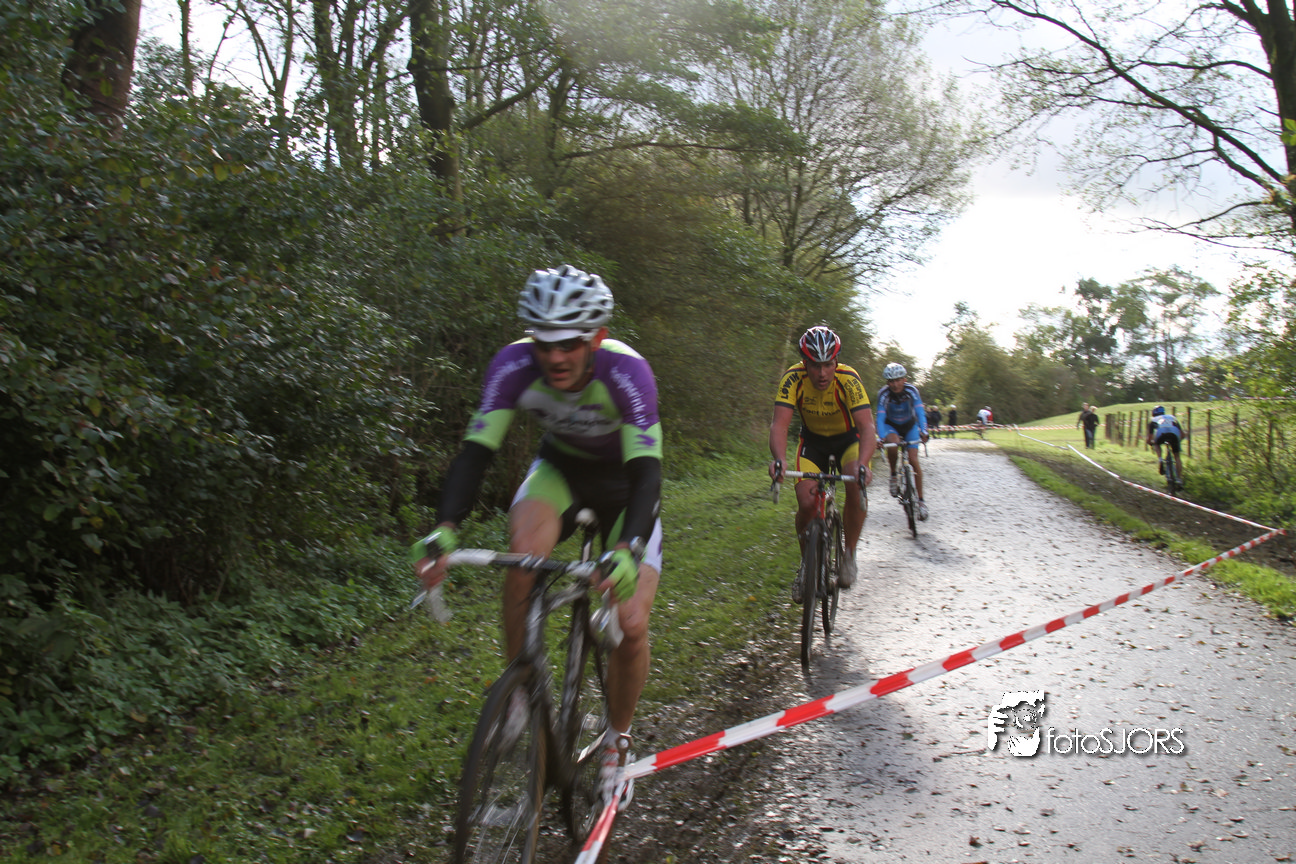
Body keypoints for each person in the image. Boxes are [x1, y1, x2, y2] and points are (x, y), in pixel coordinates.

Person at [411, 265, 663, 807]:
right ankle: (520, 691)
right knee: (522, 558)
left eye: (569, 343)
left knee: (631, 622)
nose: (555, 357)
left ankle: (618, 740)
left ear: (597, 336)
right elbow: (476, 452)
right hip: (560, 473)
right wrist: (444, 528)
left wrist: (628, 549)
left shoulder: (628, 371)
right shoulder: (512, 365)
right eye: (543, 343)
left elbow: (647, 472)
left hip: (625, 488)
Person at [768, 326, 876, 602]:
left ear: (836, 361)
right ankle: (807, 564)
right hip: (813, 443)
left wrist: (864, 464)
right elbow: (779, 425)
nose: (822, 373)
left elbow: (867, 427)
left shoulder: (849, 379)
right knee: (807, 503)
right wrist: (779, 459)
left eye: (828, 364)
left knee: (855, 484)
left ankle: (849, 555)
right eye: (815, 365)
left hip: (848, 441)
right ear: (805, 363)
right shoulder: (793, 378)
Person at [875, 363, 930, 520]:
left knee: (913, 460)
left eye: (898, 380)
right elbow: (880, 417)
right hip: (891, 426)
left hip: (909, 425)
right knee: (892, 445)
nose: (895, 384)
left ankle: (921, 501)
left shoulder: (912, 391)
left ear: (904, 379)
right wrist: (880, 437)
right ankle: (893, 474)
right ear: (887, 382)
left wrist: (924, 431)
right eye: (891, 381)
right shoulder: (884, 394)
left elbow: (920, 412)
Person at [1146, 405, 1186, 479]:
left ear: (1153, 413)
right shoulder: (1172, 417)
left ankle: (1160, 459)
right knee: (1177, 456)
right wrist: (1178, 441)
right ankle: (1179, 479)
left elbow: (1149, 437)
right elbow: (1183, 434)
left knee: (1156, 443)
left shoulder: (1153, 420)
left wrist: (1150, 443)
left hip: (1161, 433)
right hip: (1174, 434)